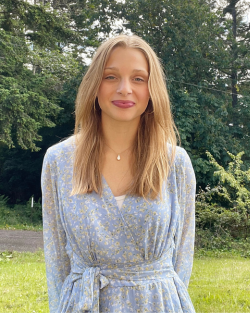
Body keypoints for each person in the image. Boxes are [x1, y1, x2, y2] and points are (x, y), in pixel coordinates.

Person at [41, 34, 196, 313]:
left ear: (152, 90)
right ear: (94, 85)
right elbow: (56, 261)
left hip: (158, 305)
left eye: (138, 79)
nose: (125, 89)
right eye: (111, 77)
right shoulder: (59, 161)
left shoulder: (175, 162)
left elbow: (183, 259)